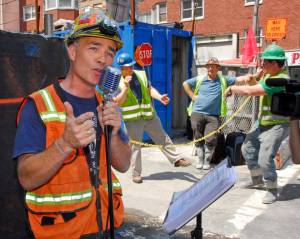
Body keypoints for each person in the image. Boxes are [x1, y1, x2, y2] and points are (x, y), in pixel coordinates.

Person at [13, 9, 131, 239]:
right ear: (73, 51)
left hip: (107, 227)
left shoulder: (106, 104)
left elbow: (124, 164)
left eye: (110, 52)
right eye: (94, 47)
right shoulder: (39, 104)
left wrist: (114, 133)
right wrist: (64, 144)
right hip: (61, 231)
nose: (103, 59)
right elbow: (26, 178)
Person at [224, 44, 290, 204]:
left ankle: (272, 189)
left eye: (265, 62)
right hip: (262, 122)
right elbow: (255, 84)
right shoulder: (269, 75)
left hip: (276, 125)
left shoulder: (280, 80)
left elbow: (250, 91)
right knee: (247, 149)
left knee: (265, 158)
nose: (262, 65)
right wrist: (256, 76)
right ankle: (257, 179)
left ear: (275, 63)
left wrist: (232, 88)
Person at [114, 53, 191, 184]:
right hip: (133, 120)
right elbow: (118, 102)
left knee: (162, 137)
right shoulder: (117, 82)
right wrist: (126, 88)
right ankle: (136, 174)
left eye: (131, 66)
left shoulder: (141, 75)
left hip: (149, 115)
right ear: (121, 68)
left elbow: (149, 90)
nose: (129, 69)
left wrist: (159, 97)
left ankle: (176, 159)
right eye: (126, 67)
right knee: (135, 147)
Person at [183, 57, 252, 170]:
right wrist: (192, 96)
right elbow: (185, 84)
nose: (210, 68)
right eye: (208, 66)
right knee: (198, 137)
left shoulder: (223, 79)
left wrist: (249, 77)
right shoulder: (200, 79)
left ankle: (207, 161)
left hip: (213, 115)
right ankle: (200, 160)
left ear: (217, 68)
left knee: (211, 138)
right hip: (197, 113)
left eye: (213, 66)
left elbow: (238, 80)